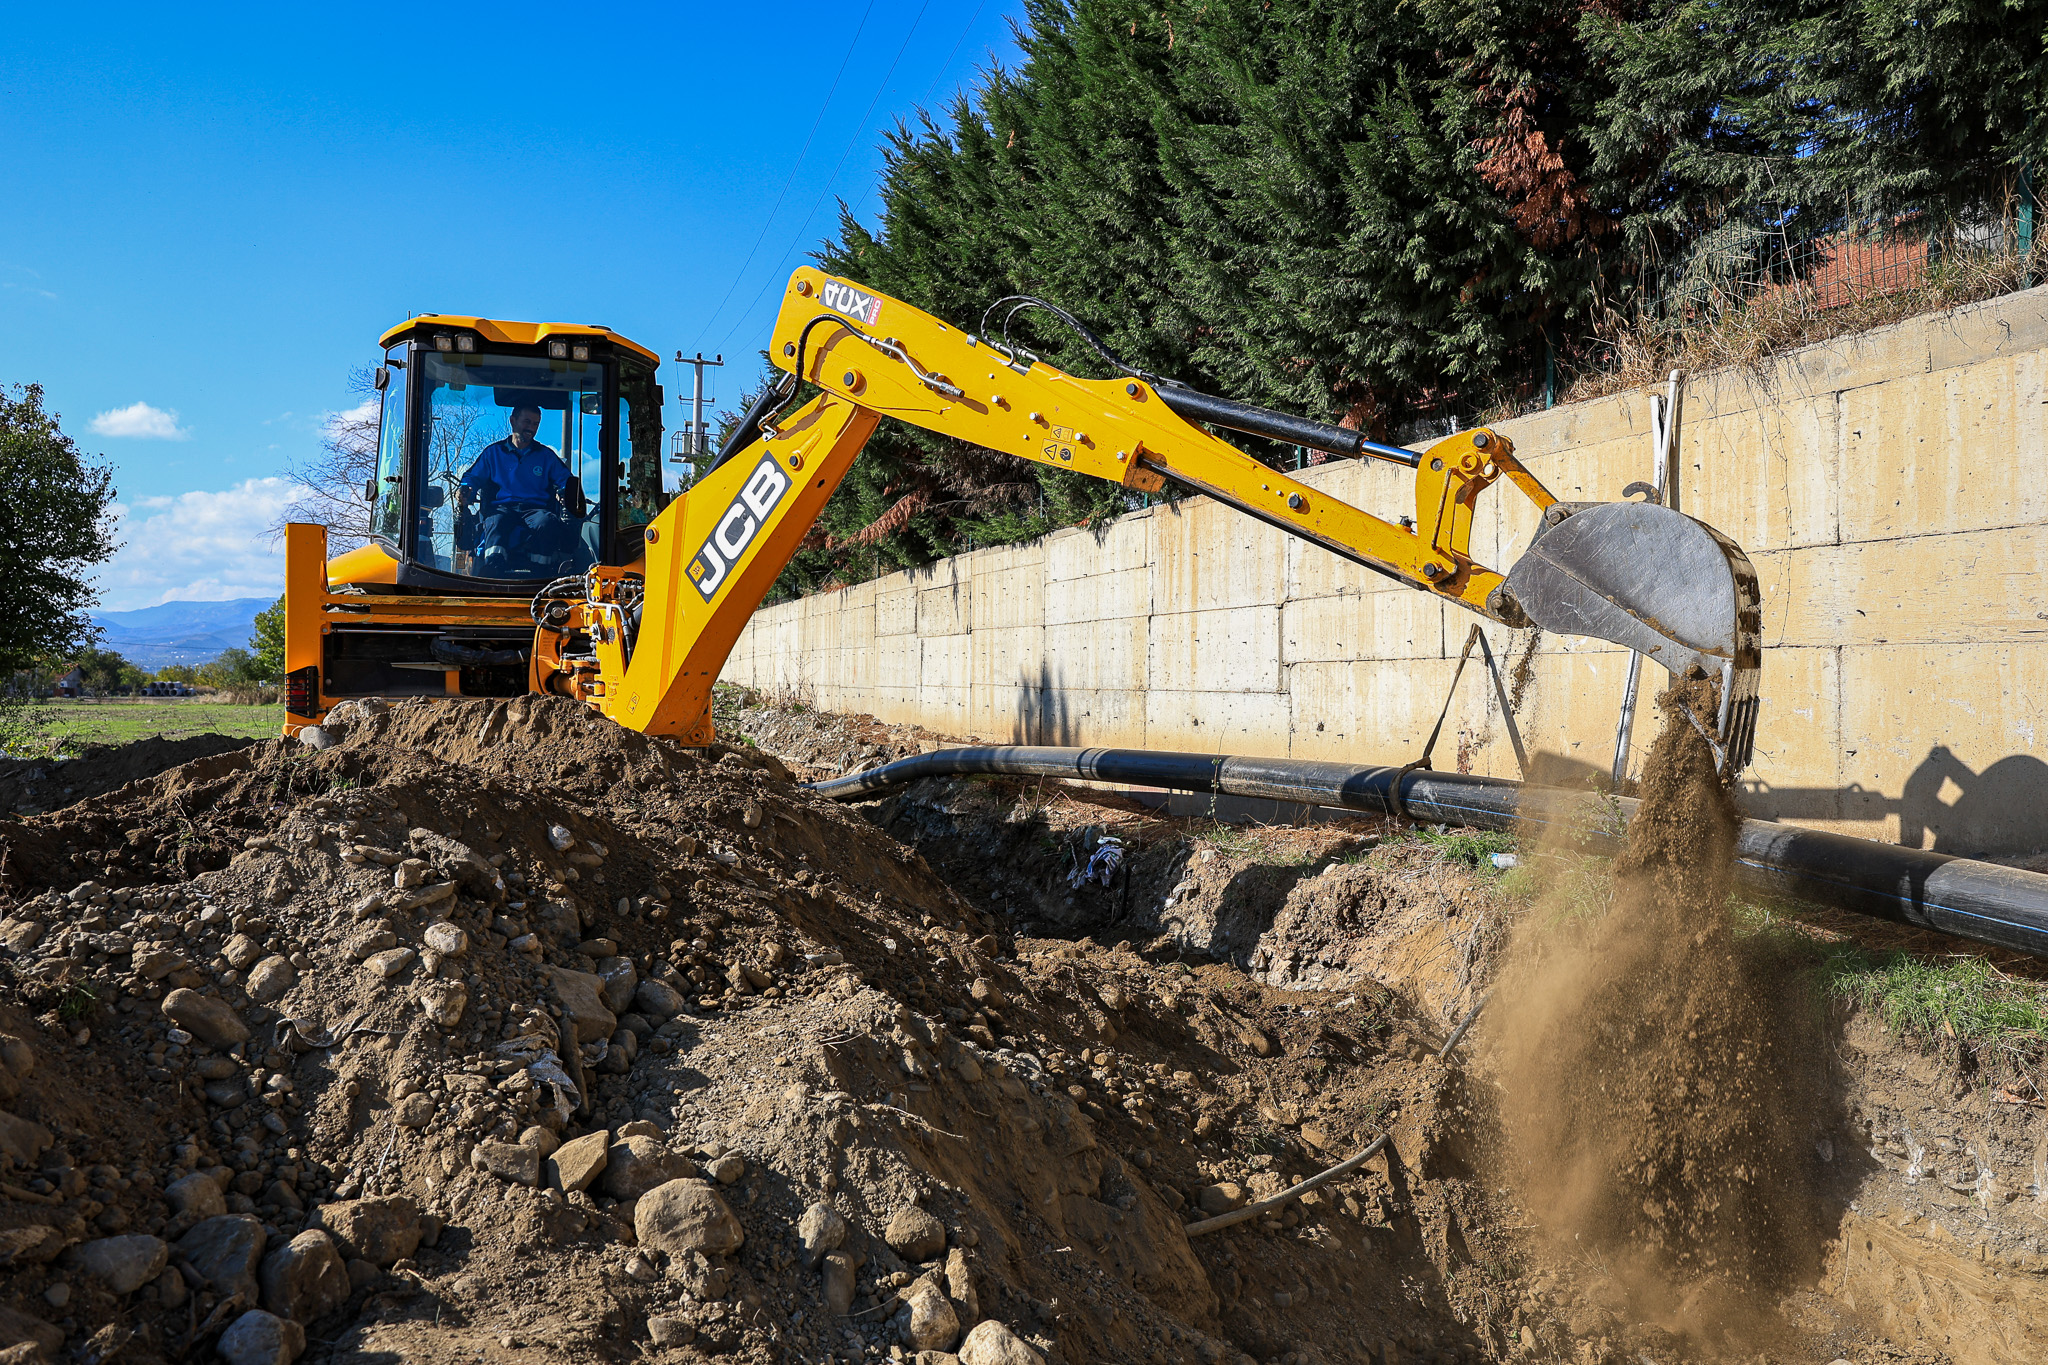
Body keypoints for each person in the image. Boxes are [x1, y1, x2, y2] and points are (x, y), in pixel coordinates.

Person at [458, 406, 583, 572]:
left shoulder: (546, 456)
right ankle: (493, 566)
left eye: (536, 424)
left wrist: (565, 493)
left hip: (535, 510)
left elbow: (566, 481)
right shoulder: (493, 453)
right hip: (502, 509)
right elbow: (472, 478)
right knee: (496, 522)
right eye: (527, 422)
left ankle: (541, 571)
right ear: (513, 421)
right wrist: (465, 490)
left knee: (546, 523)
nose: (531, 427)